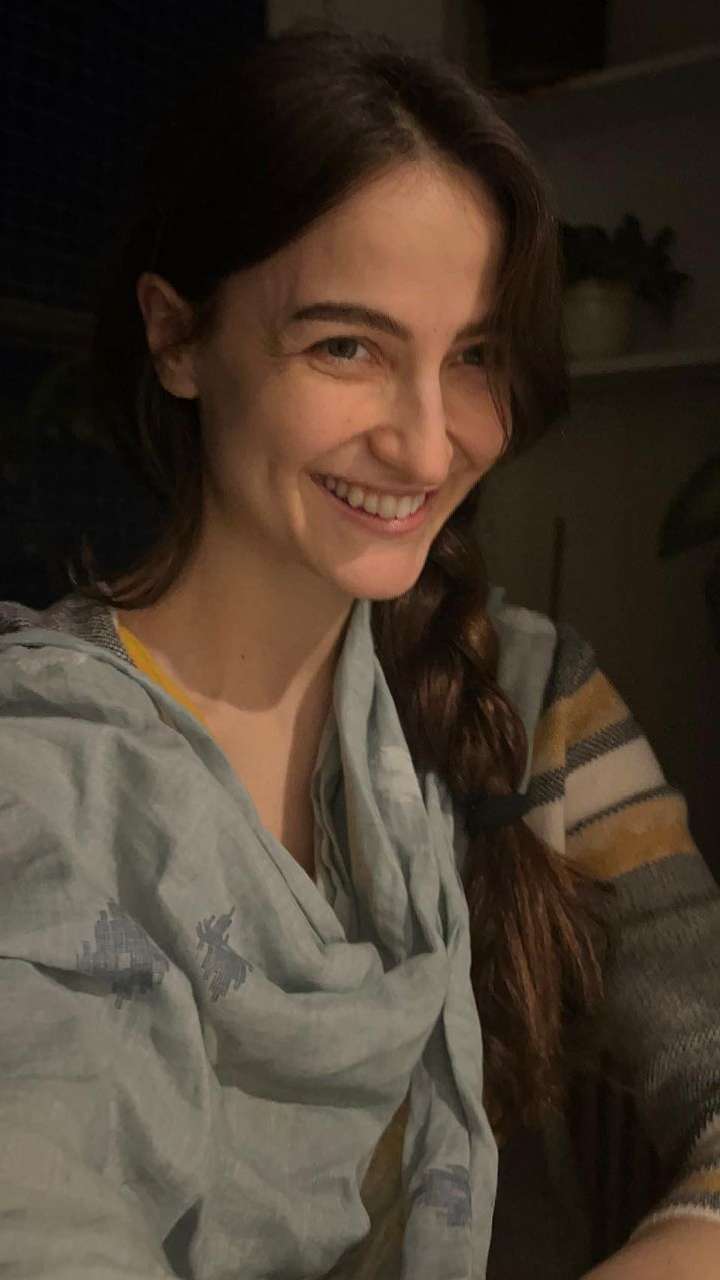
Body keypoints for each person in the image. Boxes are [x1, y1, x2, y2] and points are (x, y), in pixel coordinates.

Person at [0, 25, 718, 1280]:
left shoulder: (534, 696)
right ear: (177, 337)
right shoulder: (41, 772)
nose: (430, 445)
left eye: (475, 356)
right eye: (348, 345)